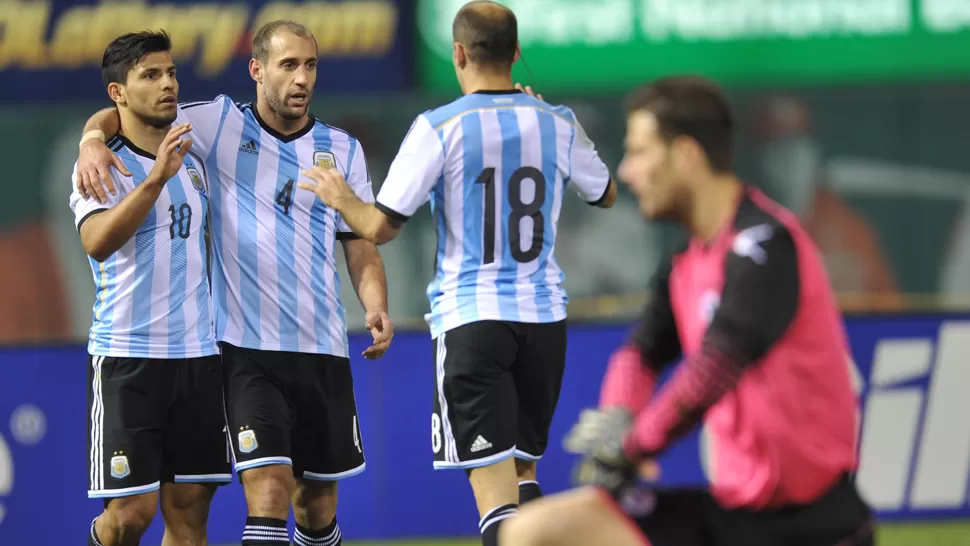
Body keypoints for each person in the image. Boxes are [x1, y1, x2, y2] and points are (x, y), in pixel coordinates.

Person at [499, 76, 875, 546]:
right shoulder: (687, 262)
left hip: (814, 527)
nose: (627, 171)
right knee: (535, 531)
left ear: (686, 156)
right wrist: (619, 414)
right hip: (733, 517)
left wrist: (632, 448)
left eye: (639, 152)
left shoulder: (766, 244)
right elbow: (642, 352)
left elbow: (715, 369)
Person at [297, 2, 616, 545]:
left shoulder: (440, 127)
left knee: (494, 495)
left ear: (459, 53)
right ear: (515, 53)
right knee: (523, 475)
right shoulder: (557, 122)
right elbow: (604, 193)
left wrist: (339, 195)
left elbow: (381, 226)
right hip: (544, 322)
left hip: (473, 321)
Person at [74, 21, 393, 546]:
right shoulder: (218, 124)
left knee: (316, 507)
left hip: (322, 346)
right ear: (257, 70)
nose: (301, 78)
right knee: (264, 495)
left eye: (310, 65)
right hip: (243, 351)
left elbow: (359, 241)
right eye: (288, 65)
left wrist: (375, 304)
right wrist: (91, 138)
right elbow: (132, 109)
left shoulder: (343, 151)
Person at [70, 31, 230, 546]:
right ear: (117, 93)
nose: (168, 84)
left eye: (171, 72)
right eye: (150, 75)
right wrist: (153, 178)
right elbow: (96, 241)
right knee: (129, 517)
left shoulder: (194, 156)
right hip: (128, 355)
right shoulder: (101, 165)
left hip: (198, 355)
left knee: (189, 512)